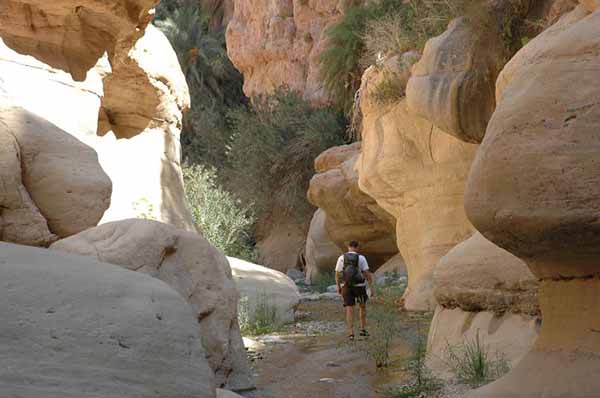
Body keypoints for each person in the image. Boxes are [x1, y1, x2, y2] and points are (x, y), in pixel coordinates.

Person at [335, 240, 374, 340]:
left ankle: (351, 333)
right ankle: (362, 329)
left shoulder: (341, 257)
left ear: (348, 247)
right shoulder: (361, 258)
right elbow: (366, 273)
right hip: (360, 286)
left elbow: (337, 273)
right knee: (362, 306)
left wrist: (338, 286)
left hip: (347, 286)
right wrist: (371, 286)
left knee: (349, 309)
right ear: (357, 248)